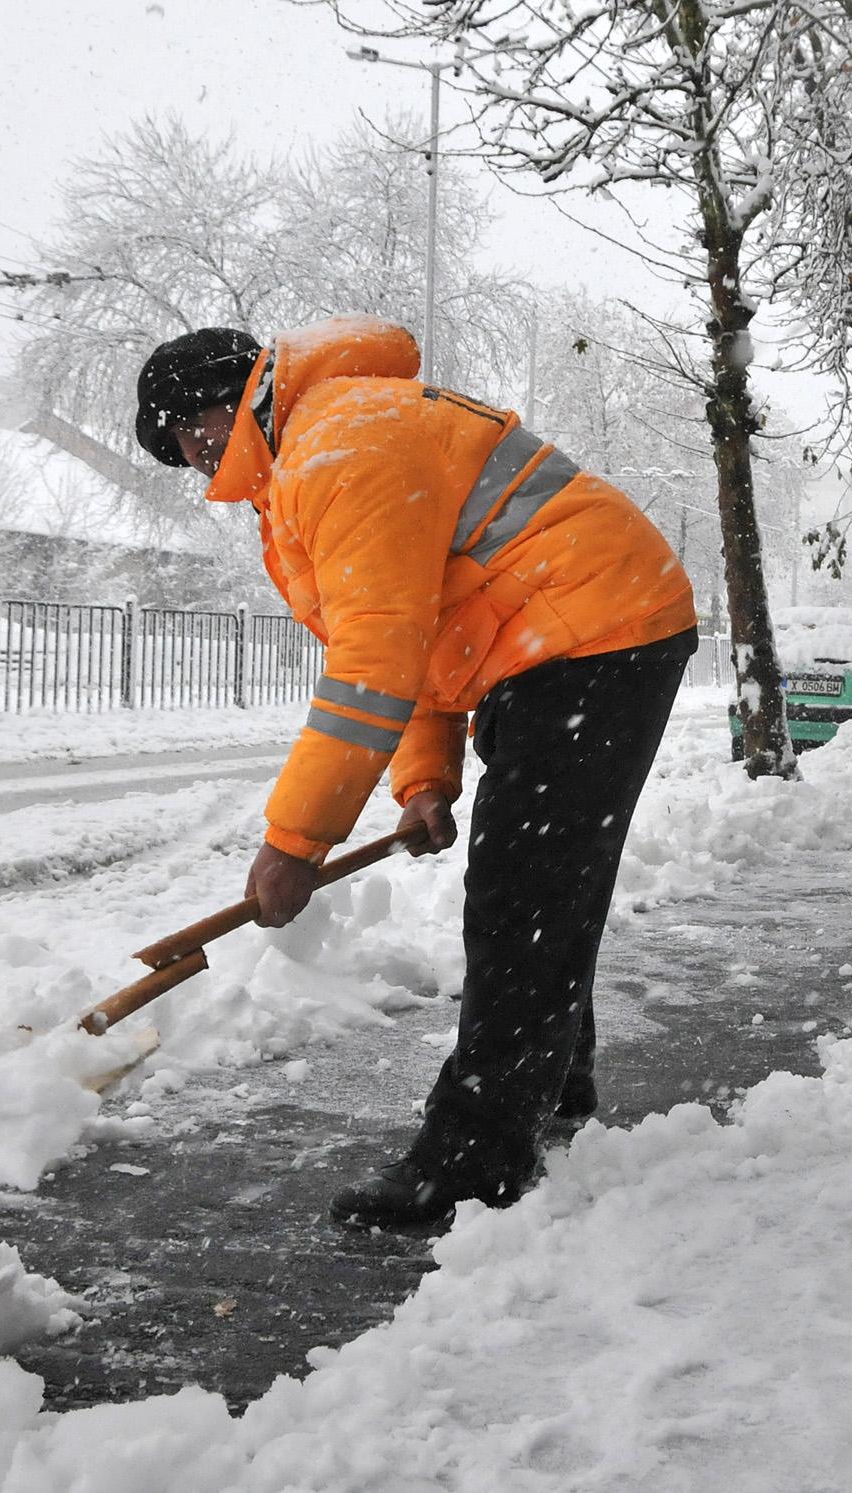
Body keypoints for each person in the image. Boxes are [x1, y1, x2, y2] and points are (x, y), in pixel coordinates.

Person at [132, 317, 698, 1228]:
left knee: (525, 891)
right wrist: (423, 779)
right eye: (188, 456)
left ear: (232, 399)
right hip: (561, 631)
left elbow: (374, 659)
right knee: (541, 879)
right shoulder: (323, 446)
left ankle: (472, 1161)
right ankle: (548, 1085)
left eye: (197, 439)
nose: (202, 466)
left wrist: (295, 843)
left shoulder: (339, 447)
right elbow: (422, 622)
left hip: (593, 630)